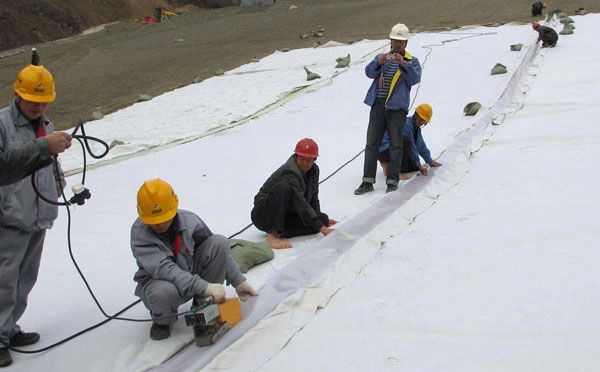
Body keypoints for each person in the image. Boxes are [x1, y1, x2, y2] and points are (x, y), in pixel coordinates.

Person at [131, 179, 257, 340]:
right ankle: (162, 321)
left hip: (189, 271)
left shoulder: (189, 220)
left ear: (174, 207)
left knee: (219, 241)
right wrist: (203, 286)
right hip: (161, 281)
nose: (160, 225)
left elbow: (217, 249)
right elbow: (164, 269)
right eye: (154, 222)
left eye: (164, 219)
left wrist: (238, 280)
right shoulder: (140, 235)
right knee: (162, 293)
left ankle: (204, 305)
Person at [0, 63, 65, 368]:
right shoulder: (2, 124)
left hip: (38, 214)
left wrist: (60, 185)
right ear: (17, 93)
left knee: (25, 279)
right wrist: (42, 145)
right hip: (8, 217)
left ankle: (9, 328)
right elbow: (5, 165)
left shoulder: (45, 124)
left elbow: (51, 162)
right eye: (32, 101)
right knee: (3, 281)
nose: (38, 107)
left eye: (43, 101)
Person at [354, 23, 422, 195]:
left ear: (405, 43)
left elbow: (414, 79)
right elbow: (369, 72)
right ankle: (367, 181)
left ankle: (393, 180)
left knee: (396, 144)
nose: (397, 45)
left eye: (400, 42)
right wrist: (378, 62)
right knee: (372, 143)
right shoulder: (382, 57)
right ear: (391, 41)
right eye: (394, 41)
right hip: (378, 104)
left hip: (396, 109)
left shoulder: (412, 61)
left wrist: (403, 65)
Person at [251, 138, 336, 249]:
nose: (305, 163)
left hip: (286, 213)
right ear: (296, 156)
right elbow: (300, 203)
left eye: (309, 160)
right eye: (302, 158)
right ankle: (273, 234)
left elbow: (313, 197)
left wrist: (318, 218)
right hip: (264, 215)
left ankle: (282, 231)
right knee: (284, 186)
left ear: (315, 159)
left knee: (322, 219)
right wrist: (323, 229)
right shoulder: (290, 171)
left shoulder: (314, 170)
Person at [378, 103, 442, 178]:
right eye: (420, 118)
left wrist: (430, 161)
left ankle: (390, 167)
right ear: (416, 114)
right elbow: (412, 147)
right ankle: (394, 171)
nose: (421, 122)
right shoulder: (406, 124)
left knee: (413, 167)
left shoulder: (416, 128)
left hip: (394, 150)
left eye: (424, 121)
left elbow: (421, 146)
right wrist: (420, 166)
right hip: (385, 149)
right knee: (406, 141)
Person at [0, 132, 72, 186]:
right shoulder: (3, 122)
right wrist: (45, 145)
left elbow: (51, 156)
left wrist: (57, 179)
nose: (39, 110)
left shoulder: (46, 123)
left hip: (46, 202)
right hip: (15, 204)